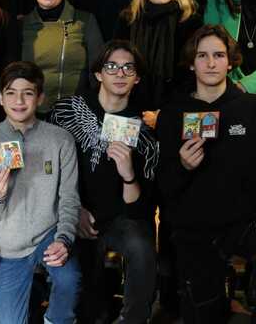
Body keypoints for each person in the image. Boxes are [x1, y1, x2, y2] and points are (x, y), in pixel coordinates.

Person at [156, 25, 256, 323]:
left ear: (230, 62)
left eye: (218, 55)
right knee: (203, 313)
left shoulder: (254, 108)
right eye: (202, 56)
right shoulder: (172, 113)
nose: (210, 63)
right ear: (191, 63)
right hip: (193, 228)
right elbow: (162, 184)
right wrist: (182, 167)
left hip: (244, 221)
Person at [49, 40, 159, 324]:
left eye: (128, 68)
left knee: (141, 247)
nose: (120, 73)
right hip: (72, 211)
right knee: (90, 309)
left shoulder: (143, 128)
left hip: (120, 217)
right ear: (98, 73)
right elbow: (48, 174)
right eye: (111, 66)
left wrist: (128, 172)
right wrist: (74, 211)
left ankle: (133, 319)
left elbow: (138, 209)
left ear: (137, 78)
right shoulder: (68, 110)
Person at [0, 61, 81, 324]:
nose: (19, 101)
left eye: (28, 93)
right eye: (11, 93)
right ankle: (30, 292)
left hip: (49, 233)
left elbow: (69, 197)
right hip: (9, 245)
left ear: (40, 97)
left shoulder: (60, 139)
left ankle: (54, 319)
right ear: (0, 98)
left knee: (70, 279)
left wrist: (63, 239)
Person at [113, 0, 203, 127]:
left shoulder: (191, 22)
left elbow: (194, 77)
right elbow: (115, 69)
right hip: (129, 112)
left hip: (177, 113)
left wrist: (163, 116)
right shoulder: (127, 19)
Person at [20, 0, 103, 115]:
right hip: (30, 117)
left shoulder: (85, 21)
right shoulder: (19, 25)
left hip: (75, 117)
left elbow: (99, 74)